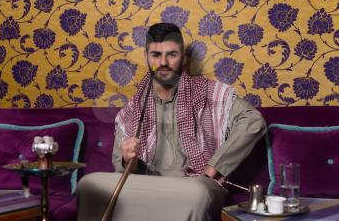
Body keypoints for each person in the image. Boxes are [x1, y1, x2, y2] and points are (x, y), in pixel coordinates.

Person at [76, 23, 266, 221]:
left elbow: (253, 121)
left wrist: (212, 169)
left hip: (196, 184)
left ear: (183, 58)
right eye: (156, 55)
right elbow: (125, 173)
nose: (163, 62)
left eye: (172, 54)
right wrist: (128, 159)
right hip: (148, 185)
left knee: (197, 193)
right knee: (88, 184)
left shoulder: (210, 93)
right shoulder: (132, 110)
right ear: (146, 58)